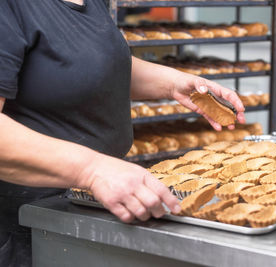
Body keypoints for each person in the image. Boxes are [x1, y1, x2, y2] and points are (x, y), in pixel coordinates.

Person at [0, 0, 246, 266]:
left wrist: (174, 83)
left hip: (94, 206)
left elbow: (90, 64)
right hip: (29, 225)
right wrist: (92, 171)